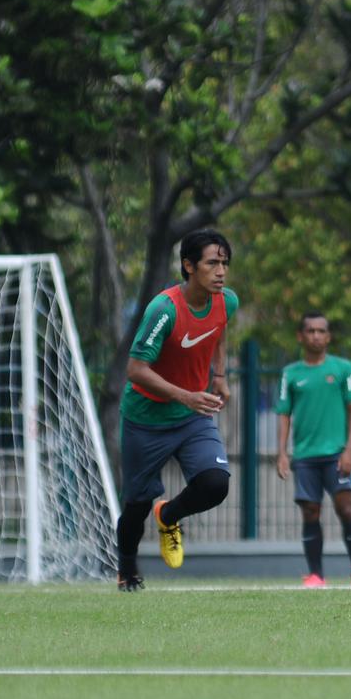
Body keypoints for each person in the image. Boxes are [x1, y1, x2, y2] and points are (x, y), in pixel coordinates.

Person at [115, 230, 237, 591]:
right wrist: (186, 396)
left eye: (224, 263)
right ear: (189, 266)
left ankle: (169, 515)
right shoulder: (164, 310)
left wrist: (219, 375)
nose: (221, 271)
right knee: (137, 504)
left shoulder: (226, 301)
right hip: (145, 419)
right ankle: (128, 572)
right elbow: (135, 370)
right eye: (212, 263)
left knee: (215, 484)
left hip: (191, 417)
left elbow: (218, 330)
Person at [276, 312, 351, 588]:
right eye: (311, 331)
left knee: (346, 509)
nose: (316, 336)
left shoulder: (343, 369)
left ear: (328, 337)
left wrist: (350, 448)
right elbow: (284, 414)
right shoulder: (290, 374)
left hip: (336, 454)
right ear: (300, 336)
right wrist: (282, 453)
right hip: (305, 456)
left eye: (321, 331)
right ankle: (316, 575)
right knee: (310, 512)